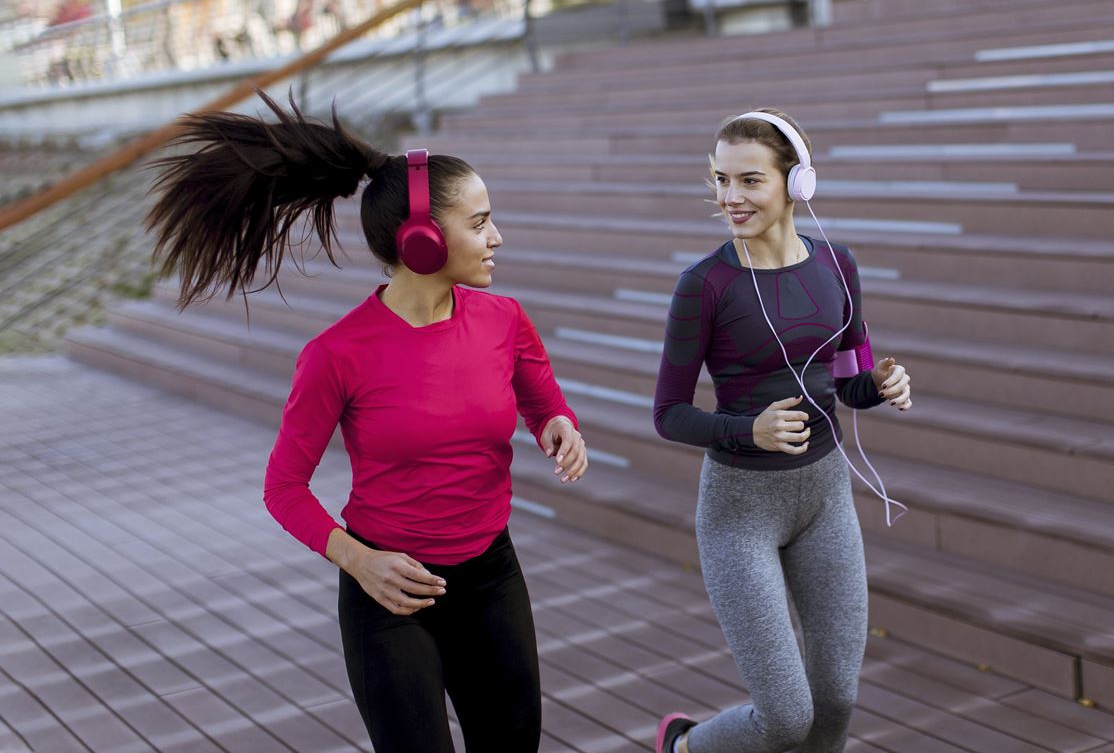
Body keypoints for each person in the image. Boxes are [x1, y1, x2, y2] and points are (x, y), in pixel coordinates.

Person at [143, 91, 589, 752]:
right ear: (423, 239)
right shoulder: (337, 355)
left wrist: (558, 423)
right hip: (387, 596)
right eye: (481, 222)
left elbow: (541, 397)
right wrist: (360, 563)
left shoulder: (505, 320)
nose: (497, 237)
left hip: (491, 578)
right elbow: (283, 488)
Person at [652, 108, 913, 753]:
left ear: (796, 183)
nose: (730, 198)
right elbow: (668, 413)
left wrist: (881, 385)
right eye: (720, 180)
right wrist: (747, 431)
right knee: (788, 718)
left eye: (749, 181)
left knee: (836, 704)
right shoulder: (705, 285)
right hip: (740, 513)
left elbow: (847, 383)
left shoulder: (838, 265)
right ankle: (683, 747)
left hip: (826, 499)